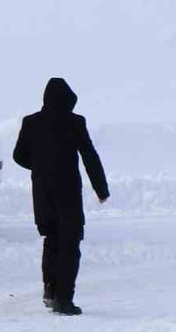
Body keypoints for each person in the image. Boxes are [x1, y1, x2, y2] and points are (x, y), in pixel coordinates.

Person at [12, 77, 110, 316]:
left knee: (52, 240)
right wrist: (101, 189)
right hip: (67, 191)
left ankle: (50, 290)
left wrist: (40, 167)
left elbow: (18, 155)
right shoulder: (75, 122)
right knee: (70, 243)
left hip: (42, 192)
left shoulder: (31, 122)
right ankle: (64, 300)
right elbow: (89, 156)